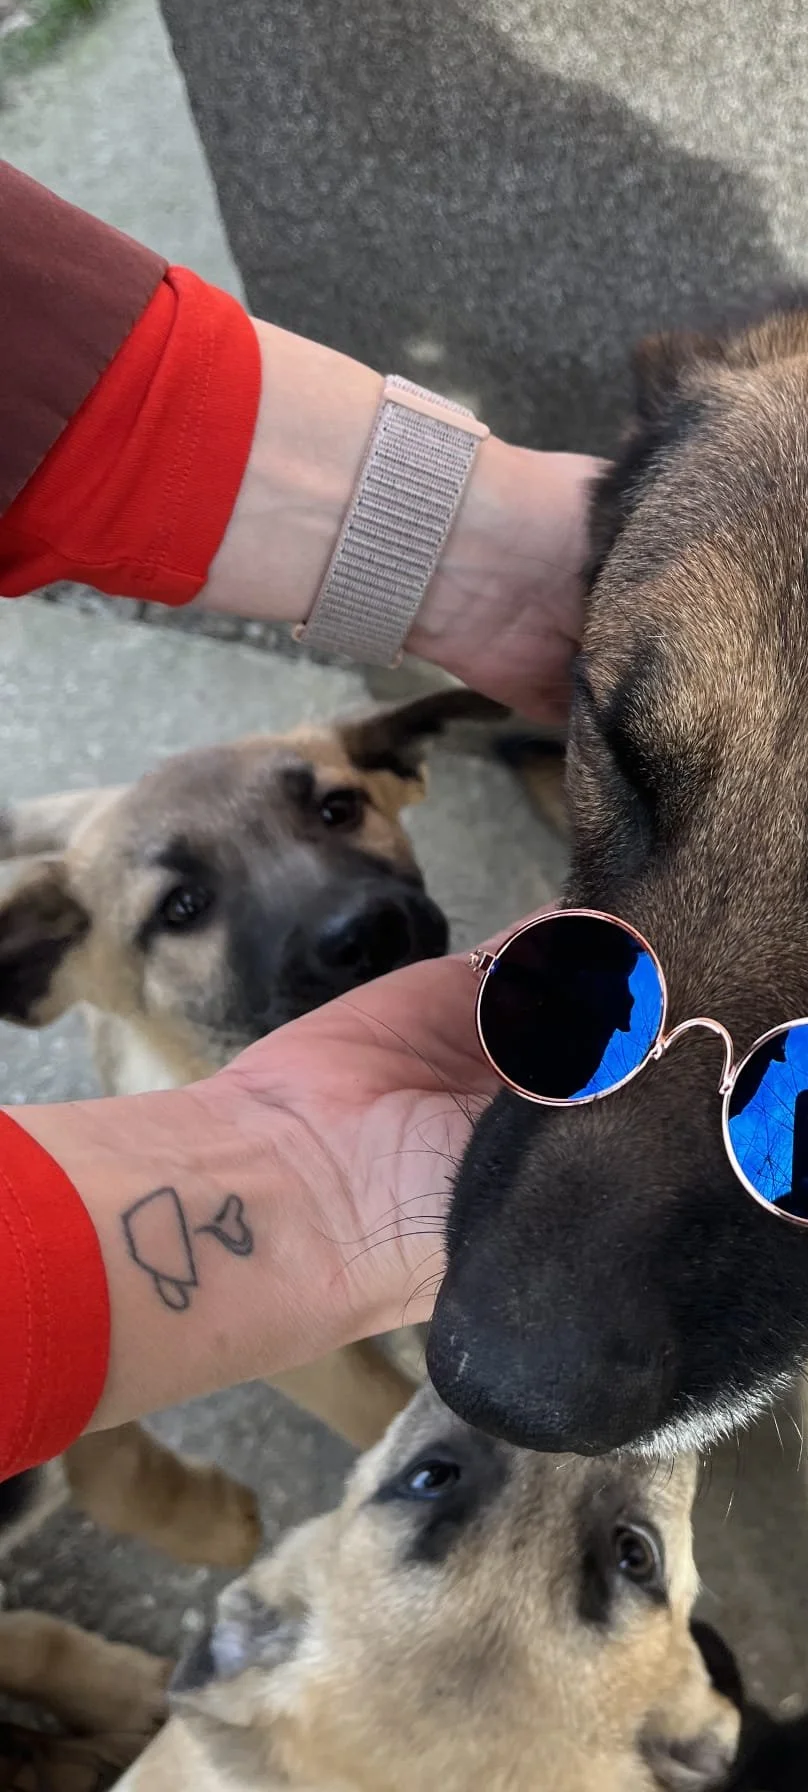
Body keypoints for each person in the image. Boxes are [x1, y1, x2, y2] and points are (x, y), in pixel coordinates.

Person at [0, 162, 599, 1478]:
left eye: (336, 810)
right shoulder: (75, 978)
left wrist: (465, 541)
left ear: (403, 775)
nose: (342, 910)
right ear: (48, 980)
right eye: (184, 906)